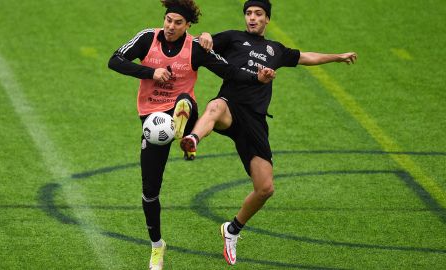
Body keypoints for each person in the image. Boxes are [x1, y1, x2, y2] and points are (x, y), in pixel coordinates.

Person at [180, 0, 357, 265]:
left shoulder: (276, 50)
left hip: (255, 122)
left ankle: (232, 230)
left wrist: (337, 57)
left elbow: (306, 57)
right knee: (215, 105)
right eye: (249, 13)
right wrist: (204, 35)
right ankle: (192, 138)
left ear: (267, 19)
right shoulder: (233, 38)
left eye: (258, 14)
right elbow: (202, 43)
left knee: (265, 188)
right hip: (230, 108)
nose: (252, 18)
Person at [108, 0, 275, 269]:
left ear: (188, 27)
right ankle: (157, 246)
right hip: (152, 119)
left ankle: (187, 132)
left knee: (185, 100)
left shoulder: (195, 48)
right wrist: (152, 72)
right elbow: (114, 60)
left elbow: (229, 70)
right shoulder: (147, 38)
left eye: (177, 23)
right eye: (168, 20)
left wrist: (258, 78)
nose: (170, 26)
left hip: (185, 109)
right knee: (150, 191)